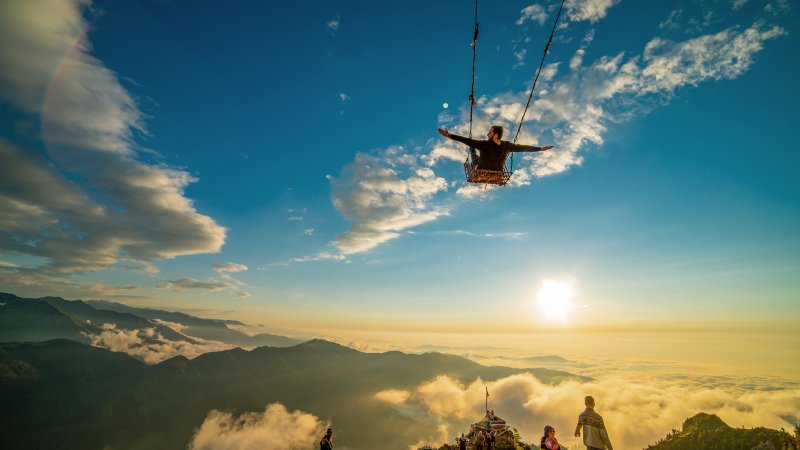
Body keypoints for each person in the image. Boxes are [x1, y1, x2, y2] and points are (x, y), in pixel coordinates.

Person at [437, 126, 553, 171]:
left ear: (495, 135)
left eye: (490, 132)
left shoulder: (485, 144)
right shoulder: (507, 145)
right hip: (498, 171)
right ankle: (472, 157)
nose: (487, 133)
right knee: (473, 147)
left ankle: (470, 161)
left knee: (472, 150)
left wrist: (449, 135)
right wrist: (540, 149)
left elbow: (466, 140)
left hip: (482, 168)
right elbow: (523, 148)